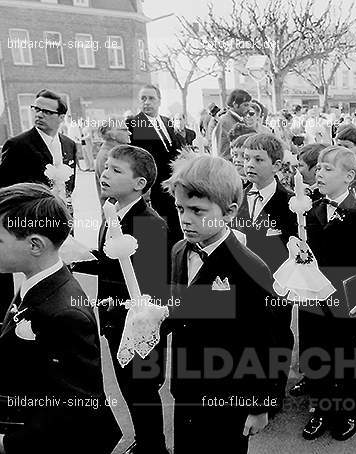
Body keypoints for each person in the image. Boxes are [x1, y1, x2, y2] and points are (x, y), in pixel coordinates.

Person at [162, 154, 275, 454]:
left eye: (197, 211)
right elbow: (180, 307)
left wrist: (260, 404)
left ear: (228, 212)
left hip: (230, 395)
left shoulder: (252, 269)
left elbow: (270, 340)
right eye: (180, 209)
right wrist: (153, 318)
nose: (185, 219)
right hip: (186, 386)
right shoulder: (178, 251)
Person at [0, 183, 121, 454]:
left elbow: (74, 407)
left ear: (35, 245)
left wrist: (7, 444)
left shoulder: (66, 314)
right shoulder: (33, 280)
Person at [72, 145, 169, 454]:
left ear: (140, 184)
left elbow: (150, 280)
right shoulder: (112, 211)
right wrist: (82, 260)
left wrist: (82, 261)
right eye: (105, 168)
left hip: (139, 325)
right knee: (128, 387)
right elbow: (110, 261)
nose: (104, 174)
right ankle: (145, 439)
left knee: (143, 389)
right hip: (115, 320)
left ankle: (154, 446)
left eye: (116, 170)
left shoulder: (149, 223)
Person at [299, 146, 356, 441]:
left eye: (328, 169)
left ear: (349, 177)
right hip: (312, 297)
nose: (319, 172)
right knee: (315, 354)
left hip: (347, 299)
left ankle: (349, 409)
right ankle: (321, 408)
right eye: (318, 168)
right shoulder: (310, 210)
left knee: (344, 356)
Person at [0, 89, 78, 318]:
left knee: (61, 274)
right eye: (36, 109)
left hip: (61, 220)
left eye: (46, 111)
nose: (39, 114)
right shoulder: (18, 145)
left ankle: (57, 313)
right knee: (34, 274)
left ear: (61, 117)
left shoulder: (69, 144)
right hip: (29, 224)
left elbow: (70, 185)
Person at [237, 133, 297, 411]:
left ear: (276, 166)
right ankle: (250, 388)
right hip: (241, 282)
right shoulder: (236, 195)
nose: (249, 164)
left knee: (275, 338)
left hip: (276, 284)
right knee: (246, 336)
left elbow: (297, 247)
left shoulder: (290, 203)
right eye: (246, 158)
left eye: (258, 159)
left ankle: (273, 392)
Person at [127, 84, 183, 243]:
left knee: (175, 228)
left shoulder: (167, 122)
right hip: (151, 187)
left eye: (151, 98)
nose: (147, 102)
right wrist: (144, 188)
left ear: (159, 101)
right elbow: (136, 159)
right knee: (155, 233)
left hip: (172, 186)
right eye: (143, 99)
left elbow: (176, 150)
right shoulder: (134, 123)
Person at [95, 116, 132, 203]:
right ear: (112, 135)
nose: (129, 133)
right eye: (124, 130)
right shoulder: (108, 156)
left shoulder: (117, 153)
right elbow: (116, 190)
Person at [212, 89, 252, 157]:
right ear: (235, 105)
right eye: (245, 105)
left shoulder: (240, 120)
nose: (249, 109)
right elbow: (224, 151)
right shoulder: (225, 122)